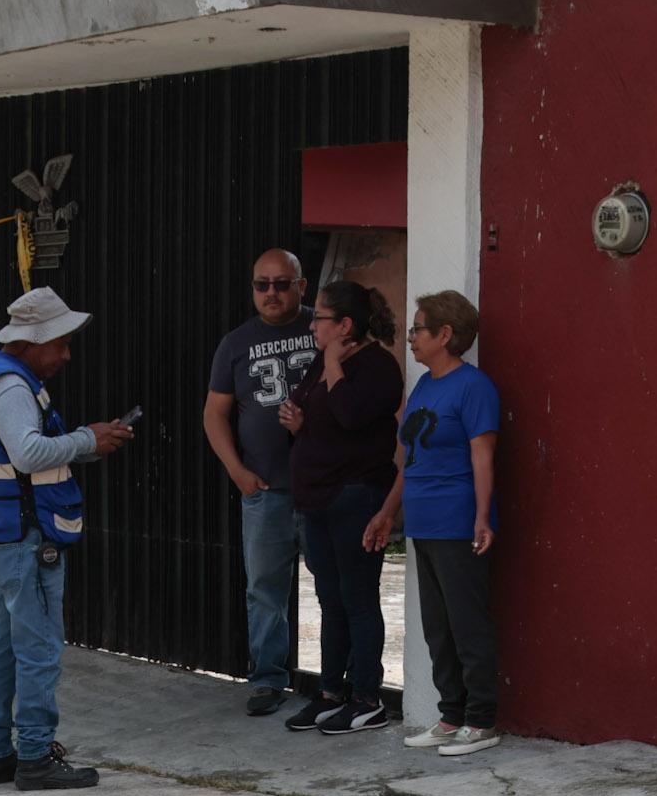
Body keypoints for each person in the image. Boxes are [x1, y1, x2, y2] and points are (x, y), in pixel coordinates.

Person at [0, 285, 133, 790]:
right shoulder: (13, 386)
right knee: (38, 648)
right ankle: (35, 757)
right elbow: (28, 455)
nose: (66, 353)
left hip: (6, 532)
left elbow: (30, 451)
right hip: (26, 536)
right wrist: (86, 440)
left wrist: (88, 440)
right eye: (59, 342)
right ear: (33, 341)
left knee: (3, 646)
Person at [365, 290, 502, 757]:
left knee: (467, 622)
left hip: (456, 518)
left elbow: (483, 455)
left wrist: (482, 516)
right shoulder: (424, 386)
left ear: (445, 334)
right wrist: (388, 511)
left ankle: (481, 720)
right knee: (436, 626)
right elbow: (409, 459)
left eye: (418, 329)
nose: (410, 338)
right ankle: (452, 716)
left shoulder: (473, 386)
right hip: (422, 522)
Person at [275, 279, 404, 733]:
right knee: (329, 600)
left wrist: (332, 364)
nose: (313, 326)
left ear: (345, 324)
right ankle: (330, 692)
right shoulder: (320, 363)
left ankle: (367, 697)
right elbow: (324, 424)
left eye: (321, 318)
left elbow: (349, 414)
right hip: (317, 498)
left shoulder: (377, 367)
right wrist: (298, 423)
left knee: (359, 599)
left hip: (355, 497)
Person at [203, 248, 319, 715]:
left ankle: (338, 683)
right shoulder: (235, 343)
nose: (271, 293)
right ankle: (268, 679)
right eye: (262, 285)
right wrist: (237, 471)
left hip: (322, 490)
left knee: (334, 589)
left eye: (281, 283)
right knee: (265, 590)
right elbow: (214, 415)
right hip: (265, 492)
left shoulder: (323, 328)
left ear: (301, 286)